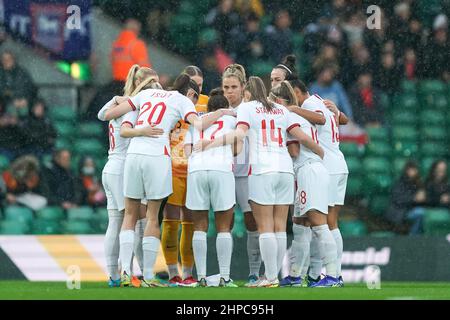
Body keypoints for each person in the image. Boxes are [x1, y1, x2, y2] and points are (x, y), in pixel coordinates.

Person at [104, 72, 235, 287]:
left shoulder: (147, 94)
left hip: (134, 154)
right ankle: (147, 276)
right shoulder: (183, 101)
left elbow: (109, 114)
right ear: (192, 93)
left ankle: (126, 272)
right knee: (153, 216)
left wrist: (137, 125)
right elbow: (199, 125)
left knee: (129, 214)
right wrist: (221, 111)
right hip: (157, 156)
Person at [195, 76, 324, 287]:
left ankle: (270, 277)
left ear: (248, 91)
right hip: (285, 169)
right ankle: (274, 276)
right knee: (280, 227)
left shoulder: (248, 109)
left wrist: (211, 142)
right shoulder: (280, 109)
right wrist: (319, 150)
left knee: (265, 228)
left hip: (262, 170)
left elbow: (238, 133)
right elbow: (299, 134)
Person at [97, 65, 163, 287]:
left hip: (110, 165)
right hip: (125, 167)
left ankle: (115, 275)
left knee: (115, 222)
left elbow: (101, 115)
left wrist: (116, 98)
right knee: (133, 221)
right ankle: (136, 272)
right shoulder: (136, 107)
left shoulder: (120, 103)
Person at [269, 81, 339, 287]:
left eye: (273, 102)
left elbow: (294, 151)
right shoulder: (298, 114)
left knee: (319, 224)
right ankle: (296, 275)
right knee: (299, 225)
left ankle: (333, 276)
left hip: (309, 170)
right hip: (306, 172)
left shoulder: (289, 116)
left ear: (281, 100)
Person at [287, 79, 348, 287]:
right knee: (328, 224)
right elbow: (344, 120)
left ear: (296, 91)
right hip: (337, 163)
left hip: (325, 165)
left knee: (325, 224)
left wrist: (293, 109)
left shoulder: (308, 105)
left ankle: (333, 275)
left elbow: (320, 119)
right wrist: (337, 111)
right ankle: (318, 274)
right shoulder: (322, 100)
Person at [184, 88, 240, 287]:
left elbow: (187, 151)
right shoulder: (233, 118)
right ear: (225, 106)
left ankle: (200, 277)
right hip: (221, 170)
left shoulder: (196, 122)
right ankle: (224, 276)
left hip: (196, 170)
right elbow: (237, 148)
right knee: (223, 227)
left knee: (199, 227)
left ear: (208, 107)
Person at [161, 66, 209, 286]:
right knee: (171, 222)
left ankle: (188, 273)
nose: (196, 89)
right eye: (192, 84)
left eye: (199, 85)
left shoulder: (207, 103)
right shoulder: (172, 101)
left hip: (196, 168)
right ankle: (173, 272)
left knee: (190, 222)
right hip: (172, 167)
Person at [221, 64, 261, 286]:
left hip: (246, 172)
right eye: (226, 86)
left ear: (243, 86)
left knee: (251, 222)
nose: (229, 91)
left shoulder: (252, 108)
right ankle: (225, 275)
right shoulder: (216, 108)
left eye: (234, 87)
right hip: (224, 172)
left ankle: (254, 273)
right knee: (224, 223)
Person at [385, 161, 426, 235]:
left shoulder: (418, 182)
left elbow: (421, 198)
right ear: (406, 170)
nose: (414, 172)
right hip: (399, 211)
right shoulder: (400, 182)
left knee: (425, 213)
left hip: (409, 209)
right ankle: (413, 237)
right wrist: (414, 198)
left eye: (415, 170)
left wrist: (423, 198)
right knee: (421, 212)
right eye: (411, 169)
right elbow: (398, 199)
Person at [111, 18, 151, 84]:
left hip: (116, 83)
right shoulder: (137, 44)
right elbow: (145, 68)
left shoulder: (116, 44)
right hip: (131, 85)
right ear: (136, 29)